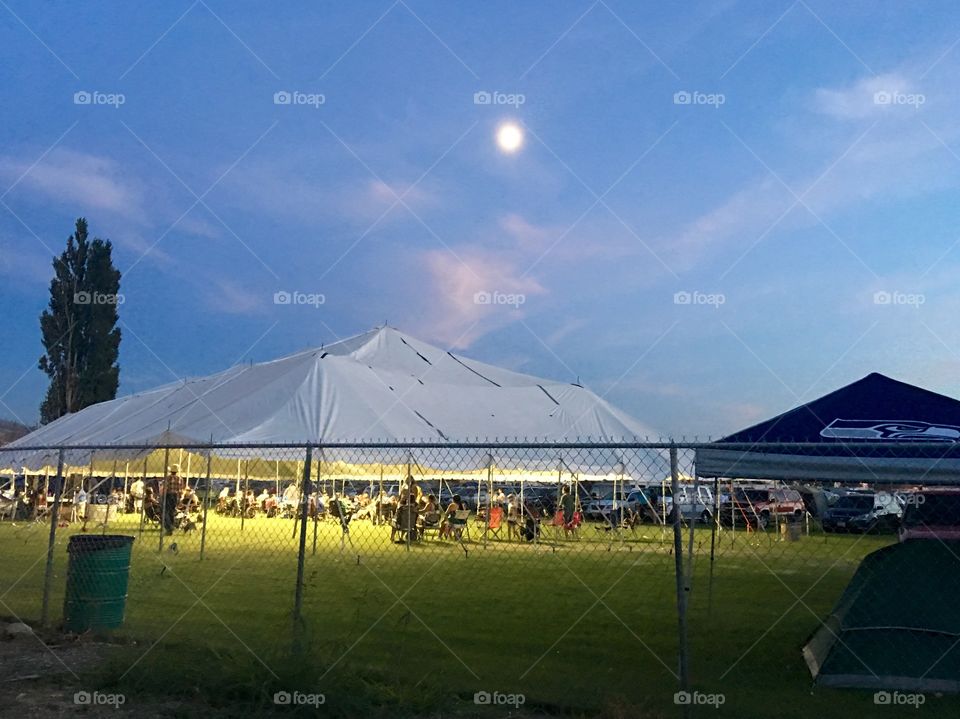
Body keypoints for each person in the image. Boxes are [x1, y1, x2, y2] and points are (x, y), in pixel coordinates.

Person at [161, 465, 184, 535]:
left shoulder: (168, 478)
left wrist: (162, 497)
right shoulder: (180, 479)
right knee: (172, 512)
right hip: (175, 496)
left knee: (165, 512)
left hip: (168, 495)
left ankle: (169, 527)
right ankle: (171, 525)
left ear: (170, 471)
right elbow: (181, 490)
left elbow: (165, 488)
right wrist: (179, 498)